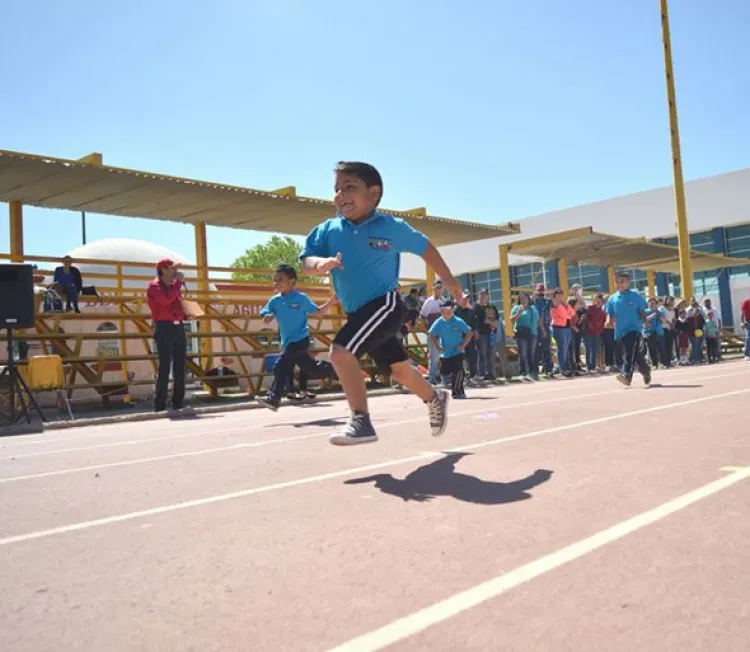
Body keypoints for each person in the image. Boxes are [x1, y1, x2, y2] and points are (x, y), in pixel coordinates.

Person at [300, 161, 464, 445]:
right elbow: (306, 260)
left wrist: (450, 282)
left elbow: (426, 248)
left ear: (373, 193)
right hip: (357, 314)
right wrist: (319, 265)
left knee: (339, 352)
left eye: (350, 187)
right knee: (399, 371)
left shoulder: (390, 227)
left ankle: (361, 420)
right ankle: (434, 397)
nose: (341, 194)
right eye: (337, 189)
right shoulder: (327, 230)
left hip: (385, 306)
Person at [256, 265, 339, 410]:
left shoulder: (301, 298)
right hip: (287, 343)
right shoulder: (275, 301)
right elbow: (265, 313)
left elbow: (318, 312)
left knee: (280, 366)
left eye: (281, 279)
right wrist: (266, 317)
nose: (277, 282)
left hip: (300, 340)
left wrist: (331, 302)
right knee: (312, 369)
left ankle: (273, 399)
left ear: (293, 282)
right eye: (275, 280)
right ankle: (337, 370)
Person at [146, 258, 188, 412]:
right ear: (163, 270)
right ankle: (160, 405)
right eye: (172, 268)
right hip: (164, 327)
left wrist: (187, 313)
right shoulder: (154, 286)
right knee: (164, 368)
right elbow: (165, 300)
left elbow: (176, 303)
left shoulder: (174, 287)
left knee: (180, 367)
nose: (175, 272)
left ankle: (178, 402)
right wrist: (178, 284)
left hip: (178, 326)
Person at [605, 271, 650, 387]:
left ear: (628, 283)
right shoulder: (612, 298)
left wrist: (645, 321)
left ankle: (626, 376)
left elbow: (642, 311)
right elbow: (610, 312)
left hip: (634, 328)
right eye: (617, 282)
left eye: (622, 282)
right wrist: (608, 321)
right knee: (634, 353)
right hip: (620, 330)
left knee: (629, 352)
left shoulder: (635, 296)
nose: (619, 284)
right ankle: (645, 369)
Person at [429, 299, 473, 399]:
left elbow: (469, 333)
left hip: (458, 351)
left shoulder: (458, 321)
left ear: (452, 311)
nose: (447, 313)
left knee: (458, 370)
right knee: (445, 372)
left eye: (449, 311)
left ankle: (457, 391)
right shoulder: (439, 322)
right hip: (445, 353)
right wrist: (437, 346)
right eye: (444, 311)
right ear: (441, 311)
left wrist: (463, 345)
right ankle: (457, 389)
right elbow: (432, 335)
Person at [510, 292, 538, 381]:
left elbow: (538, 319)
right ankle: (523, 372)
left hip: (532, 333)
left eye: (525, 298)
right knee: (523, 353)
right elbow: (511, 320)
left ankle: (532, 372)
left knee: (531, 353)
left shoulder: (532, 308)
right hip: (521, 332)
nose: (523, 300)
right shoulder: (516, 308)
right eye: (521, 298)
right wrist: (519, 313)